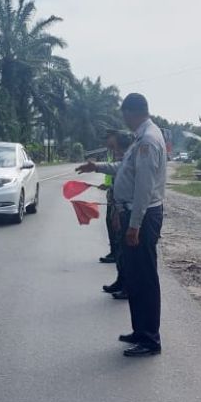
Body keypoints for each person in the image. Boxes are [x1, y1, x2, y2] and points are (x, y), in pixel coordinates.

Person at [76, 93, 167, 357]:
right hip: (136, 213)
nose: (123, 119)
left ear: (131, 112)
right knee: (136, 278)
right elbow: (125, 169)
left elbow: (144, 187)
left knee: (145, 279)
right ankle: (140, 331)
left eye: (124, 114)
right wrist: (98, 167)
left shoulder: (148, 140)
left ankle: (150, 339)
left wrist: (134, 225)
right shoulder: (142, 137)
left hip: (143, 216)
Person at [101, 131, 132, 297]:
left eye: (114, 147)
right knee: (120, 250)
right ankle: (121, 281)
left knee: (126, 252)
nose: (112, 151)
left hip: (126, 210)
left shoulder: (130, 160)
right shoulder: (122, 159)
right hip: (118, 207)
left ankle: (128, 287)